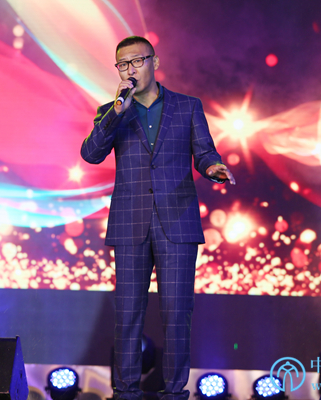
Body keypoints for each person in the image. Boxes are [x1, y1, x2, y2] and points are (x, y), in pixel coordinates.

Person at [81, 36, 235, 400]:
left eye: (137, 61)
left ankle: (175, 392)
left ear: (155, 62)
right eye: (123, 64)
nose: (130, 69)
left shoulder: (187, 106)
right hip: (130, 222)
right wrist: (116, 111)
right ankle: (125, 391)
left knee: (177, 313)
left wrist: (213, 168)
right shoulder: (112, 110)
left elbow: (204, 152)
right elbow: (91, 154)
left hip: (177, 221)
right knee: (127, 314)